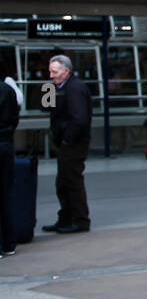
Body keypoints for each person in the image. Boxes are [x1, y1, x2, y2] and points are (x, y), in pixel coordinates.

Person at [42, 54, 93, 234]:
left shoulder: (75, 88)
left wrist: (67, 139)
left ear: (66, 71)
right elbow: (47, 107)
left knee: (72, 180)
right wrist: (48, 92)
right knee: (63, 182)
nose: (51, 76)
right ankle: (66, 218)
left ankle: (80, 220)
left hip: (73, 143)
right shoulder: (60, 87)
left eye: (54, 72)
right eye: (50, 72)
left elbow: (79, 119)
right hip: (66, 141)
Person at [0, 55, 20, 256]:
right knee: (6, 193)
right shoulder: (8, 88)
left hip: (68, 140)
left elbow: (45, 106)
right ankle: (9, 242)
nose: (51, 74)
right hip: (6, 142)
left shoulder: (50, 87)